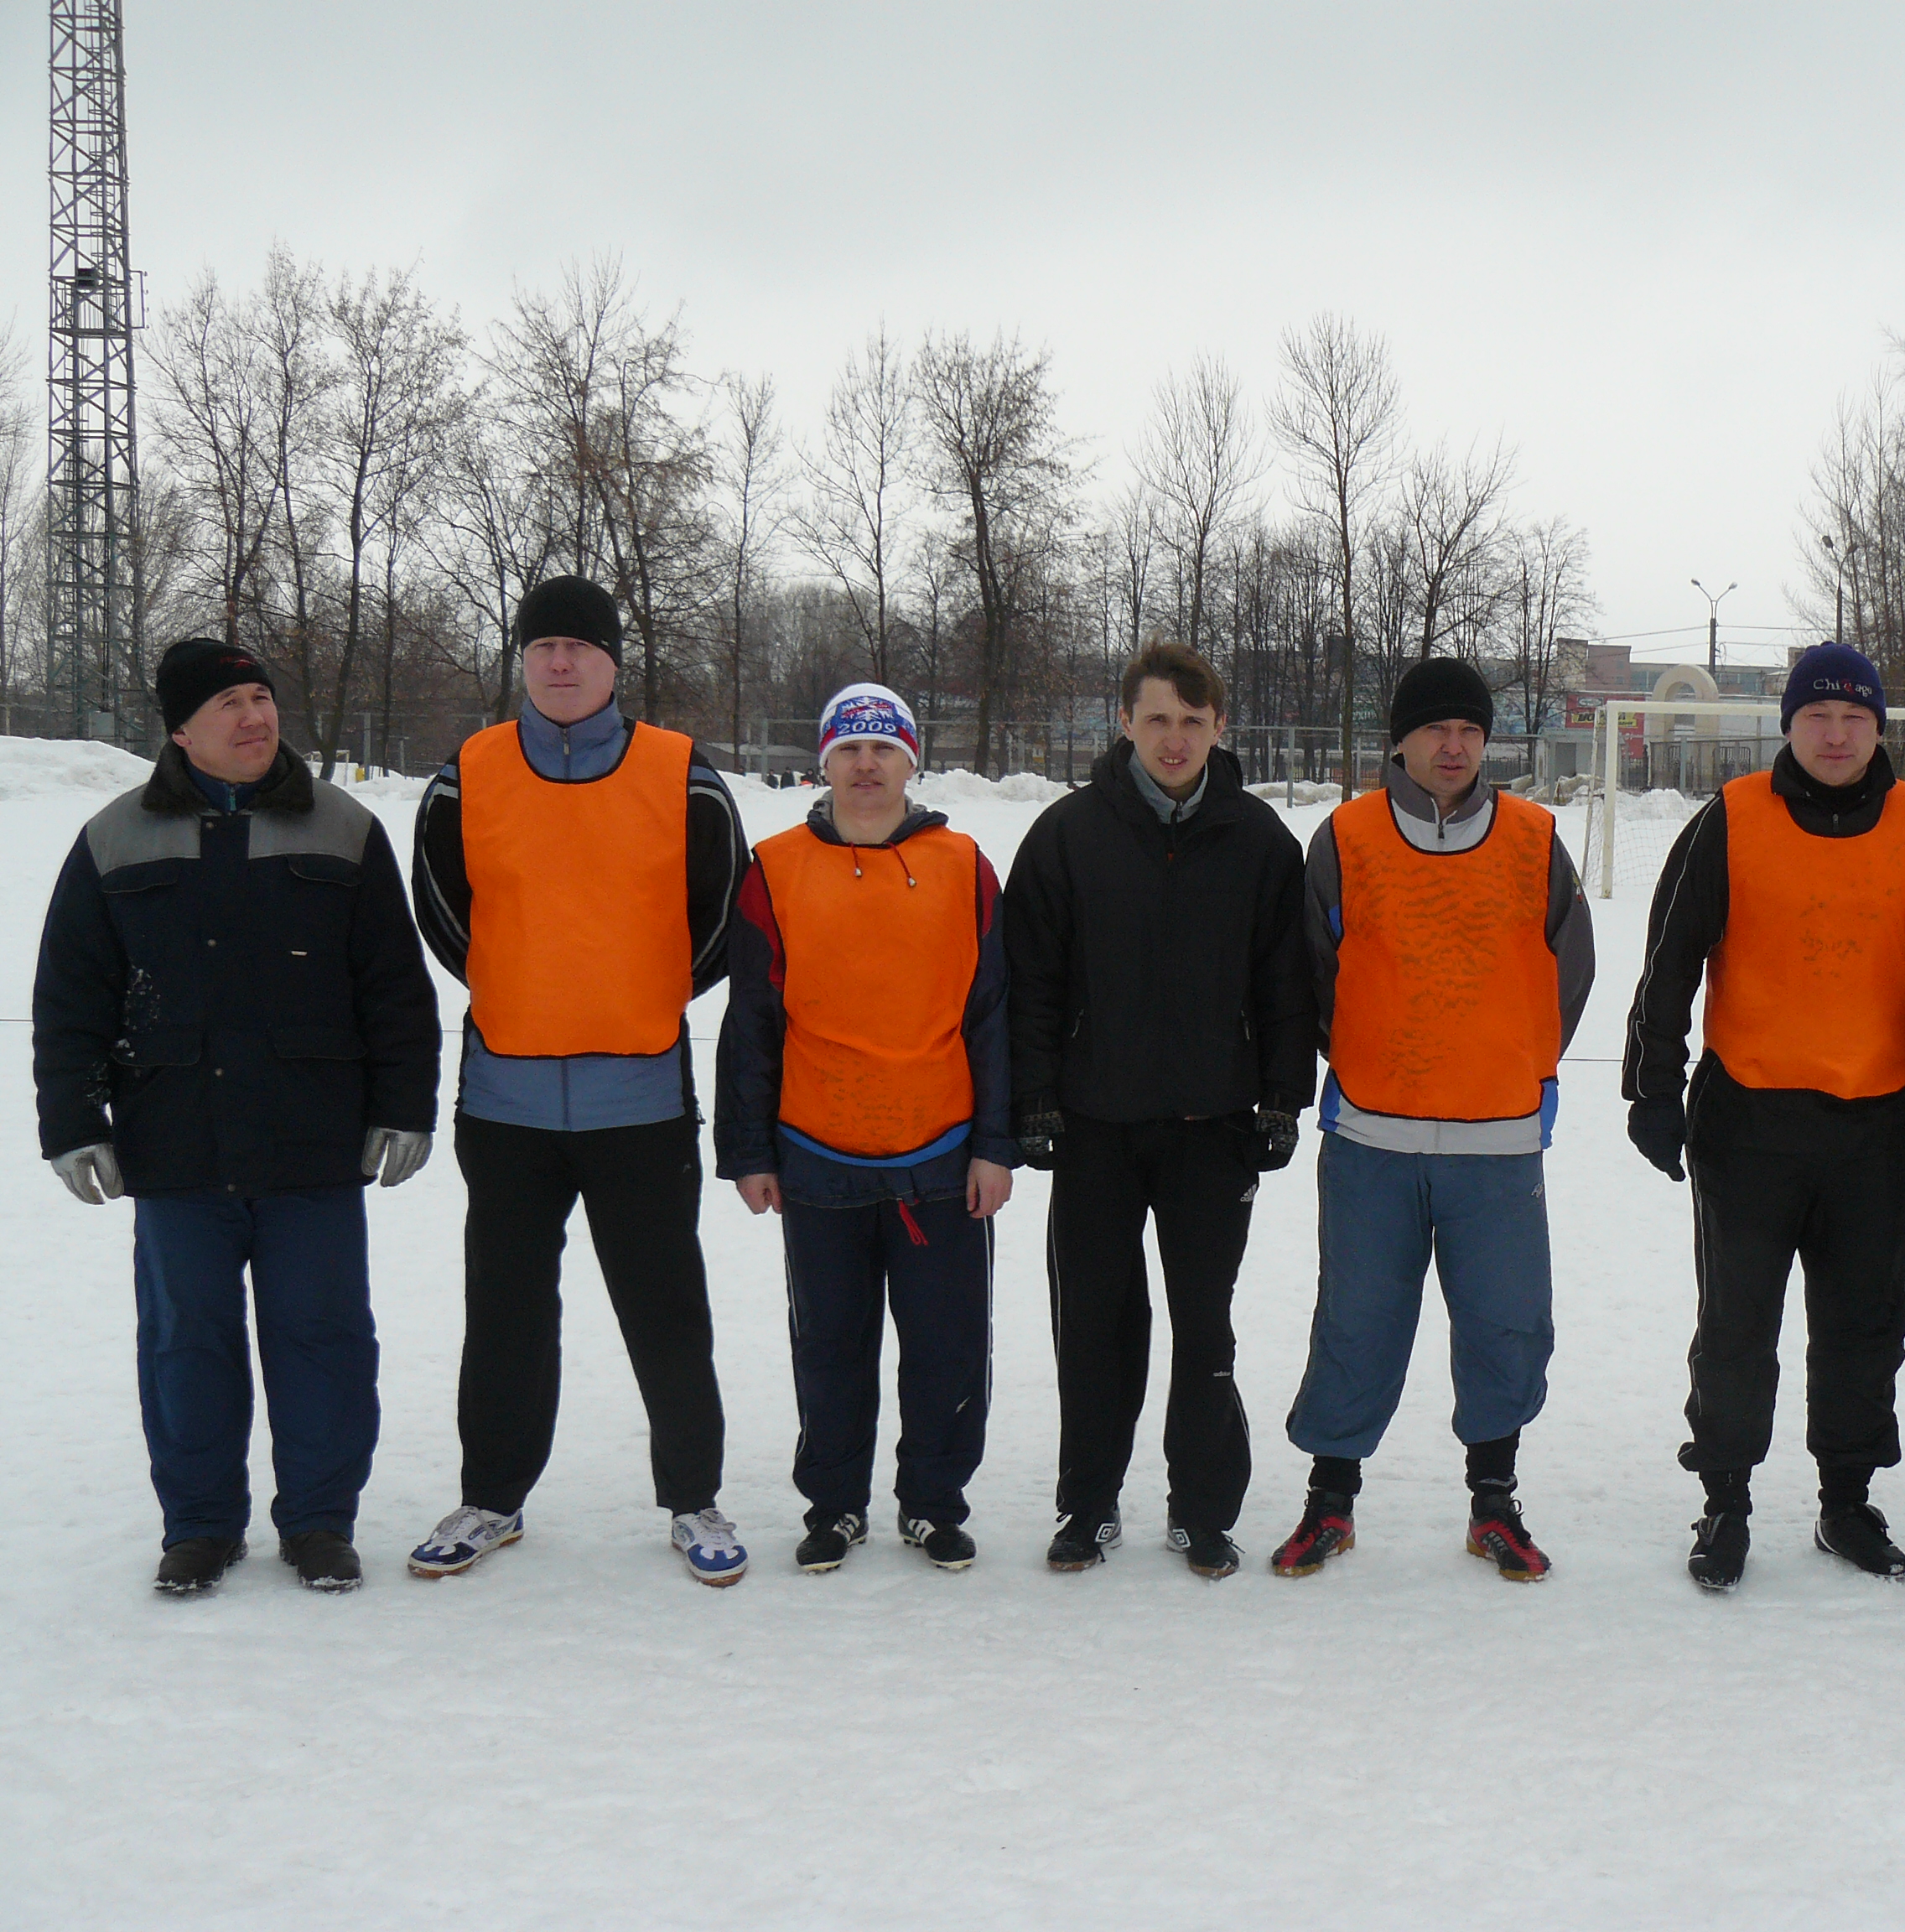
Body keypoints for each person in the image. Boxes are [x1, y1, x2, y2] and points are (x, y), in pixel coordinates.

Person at [34, 640, 440, 1594]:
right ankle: (201, 1525)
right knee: (187, 1339)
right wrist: (72, 1119)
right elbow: (70, 997)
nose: (256, 718)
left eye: (263, 698)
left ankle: (318, 1521)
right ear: (180, 729)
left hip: (311, 1138)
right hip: (174, 1139)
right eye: (230, 704)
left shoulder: (342, 828)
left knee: (323, 1334)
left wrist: (404, 1105)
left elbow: (393, 985)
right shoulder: (114, 837)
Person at [406, 575, 751, 1587]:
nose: (561, 663)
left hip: (638, 1098)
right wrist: (526, 982)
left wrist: (635, 994)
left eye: (580, 647)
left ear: (613, 663)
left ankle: (694, 1498)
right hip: (505, 1101)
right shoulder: (465, 776)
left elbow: (723, 914)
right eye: (543, 646)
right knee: (505, 1309)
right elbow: (441, 912)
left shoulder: (680, 774)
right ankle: (492, 1498)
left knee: (666, 1309)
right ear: (522, 660)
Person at [1622, 643, 1905, 1591]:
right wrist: (1653, 1086)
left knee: (1864, 1323)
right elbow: (1670, 958)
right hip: (1749, 1123)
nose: (1837, 734)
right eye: (1818, 716)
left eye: (1855, 717)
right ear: (1789, 725)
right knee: (1737, 1324)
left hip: (1874, 1124)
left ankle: (1846, 1500)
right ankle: (1724, 1499)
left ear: (1879, 726)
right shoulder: (1732, 822)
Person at [1273, 655, 1594, 1582]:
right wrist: (1367, 1055)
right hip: (1375, 1138)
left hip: (1497, 1144)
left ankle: (1494, 1503)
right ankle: (1330, 1502)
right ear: (1401, 741)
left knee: (1505, 1324)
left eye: (1469, 731)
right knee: (1357, 1321)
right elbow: (1313, 969)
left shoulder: (1535, 838)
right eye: (1435, 730)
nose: (1453, 748)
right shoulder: (1346, 837)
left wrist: (1522, 1062)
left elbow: (1569, 969)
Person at [1005, 641, 1312, 1580]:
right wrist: (1036, 1099)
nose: (1174, 739)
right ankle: (1088, 1504)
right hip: (1096, 1128)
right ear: (1125, 725)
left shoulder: (1260, 842)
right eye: (1156, 720)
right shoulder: (1067, 835)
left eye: (1192, 720)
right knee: (1096, 1325)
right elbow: (1031, 984)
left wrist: (1282, 1097)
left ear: (1220, 727)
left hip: (1211, 1131)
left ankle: (1203, 1507)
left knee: (1204, 1327)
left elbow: (1285, 986)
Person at [717, 683, 1015, 1576]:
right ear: (824, 761)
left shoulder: (965, 867)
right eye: (850, 749)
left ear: (912, 762)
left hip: (940, 1158)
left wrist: (997, 1145)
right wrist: (748, 1151)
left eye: (885, 749)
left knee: (947, 1350)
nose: (867, 765)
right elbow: (752, 1022)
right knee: (831, 1346)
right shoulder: (774, 869)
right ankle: (835, 1506)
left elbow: (993, 1015)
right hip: (818, 1159)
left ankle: (931, 1504)